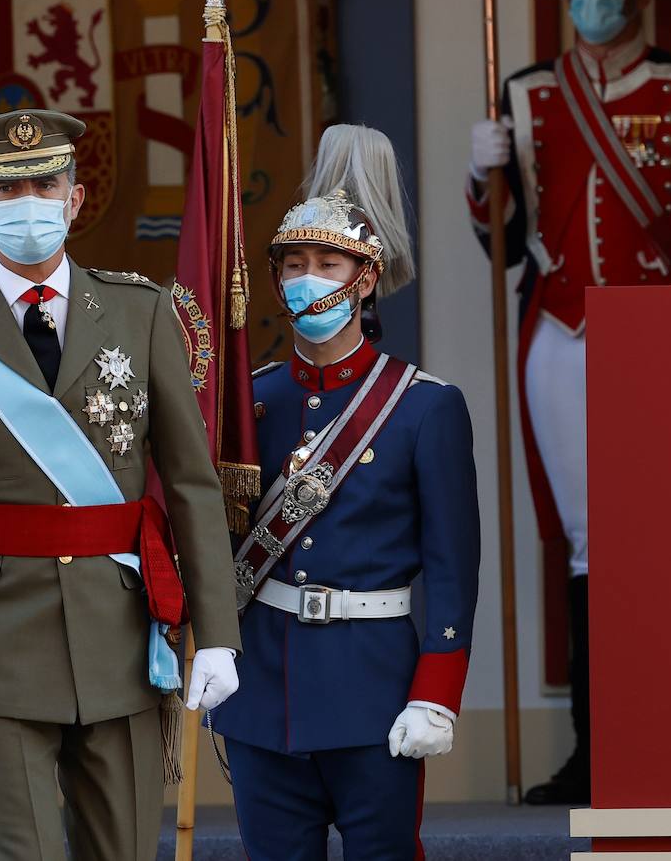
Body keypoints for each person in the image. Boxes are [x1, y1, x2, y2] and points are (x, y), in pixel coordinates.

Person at [0, 109, 242, 860]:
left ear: (74, 198)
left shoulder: (142, 312)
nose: (27, 200)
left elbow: (190, 483)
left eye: (44, 182)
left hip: (120, 633)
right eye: (7, 188)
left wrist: (218, 636)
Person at [465, 0, 671, 805]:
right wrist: (481, 174)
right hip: (561, 328)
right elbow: (497, 240)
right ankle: (596, 755)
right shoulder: (527, 94)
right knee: (588, 547)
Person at [211, 126, 481, 860]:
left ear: (364, 278)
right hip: (262, 690)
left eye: (327, 263)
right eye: (293, 265)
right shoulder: (250, 404)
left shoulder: (424, 407)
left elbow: (453, 567)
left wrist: (438, 690)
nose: (308, 279)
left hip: (376, 690)